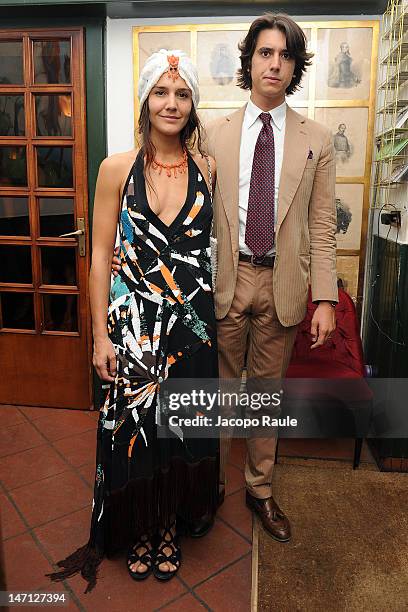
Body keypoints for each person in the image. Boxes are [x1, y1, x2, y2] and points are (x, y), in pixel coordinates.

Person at [113, 13, 338, 544]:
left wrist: (324, 298)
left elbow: (323, 225)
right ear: (250, 61)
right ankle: (204, 486)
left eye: (285, 55)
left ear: (295, 66)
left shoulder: (318, 140)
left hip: (281, 284)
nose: (274, 63)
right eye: (265, 53)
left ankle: (259, 489)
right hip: (223, 283)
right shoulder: (211, 135)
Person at [47, 49, 219, 592]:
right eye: (161, 92)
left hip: (192, 327)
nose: (172, 103)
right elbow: (99, 255)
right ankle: (140, 526)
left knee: (181, 430)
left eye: (183, 93)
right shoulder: (115, 168)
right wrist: (99, 334)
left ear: (193, 104)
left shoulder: (206, 169)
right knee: (137, 431)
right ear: (145, 100)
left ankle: (168, 522)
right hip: (133, 326)